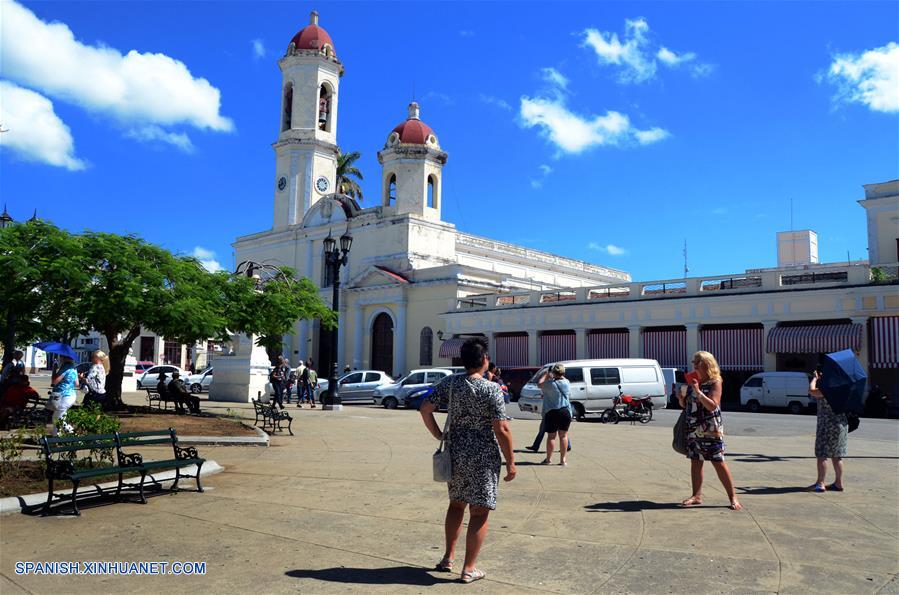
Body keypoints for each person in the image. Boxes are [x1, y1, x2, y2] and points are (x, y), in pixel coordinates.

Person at [419, 337, 516, 584]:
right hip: (483, 453)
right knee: (480, 510)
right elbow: (501, 428)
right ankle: (469, 568)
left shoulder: (450, 383)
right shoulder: (491, 389)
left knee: (456, 504)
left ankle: (448, 558)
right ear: (485, 360)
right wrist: (511, 461)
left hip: (456, 450)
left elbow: (425, 409)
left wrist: (439, 434)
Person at [678, 351, 742, 511]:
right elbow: (688, 406)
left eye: (698, 362)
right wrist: (681, 398)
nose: (694, 365)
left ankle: (733, 497)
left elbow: (712, 405)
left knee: (718, 462)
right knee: (695, 462)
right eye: (694, 362)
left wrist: (698, 391)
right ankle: (696, 496)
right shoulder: (695, 381)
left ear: (707, 364)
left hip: (710, 429)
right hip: (693, 428)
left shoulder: (715, 381)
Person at [808, 370, 848, 492]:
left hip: (827, 426)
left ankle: (820, 483)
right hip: (841, 425)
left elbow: (811, 391)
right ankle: (838, 483)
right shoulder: (843, 388)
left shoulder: (828, 389)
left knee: (822, 454)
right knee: (837, 455)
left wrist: (814, 379)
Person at [537, 364, 572, 466]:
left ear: (553, 373)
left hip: (552, 412)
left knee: (552, 437)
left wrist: (546, 375)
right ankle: (563, 460)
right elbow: (562, 378)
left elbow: (539, 384)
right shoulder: (567, 382)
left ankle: (548, 460)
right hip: (565, 411)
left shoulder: (549, 384)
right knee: (564, 436)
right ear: (563, 373)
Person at [48, 355, 78, 435]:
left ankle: (73, 434)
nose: (59, 358)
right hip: (71, 395)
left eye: (60, 357)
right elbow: (76, 383)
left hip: (64, 396)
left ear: (64, 358)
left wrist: (54, 369)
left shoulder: (65, 367)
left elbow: (54, 381)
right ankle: (57, 437)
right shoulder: (74, 368)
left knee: (57, 418)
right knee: (59, 417)